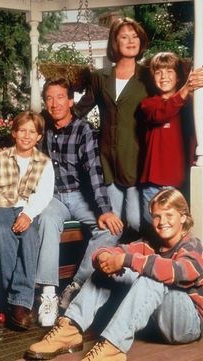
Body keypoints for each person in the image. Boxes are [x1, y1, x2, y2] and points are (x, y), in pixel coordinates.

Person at [25, 188, 203, 361]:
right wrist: (105, 258)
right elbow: (117, 250)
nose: (162, 222)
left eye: (169, 215)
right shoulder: (151, 243)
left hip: (188, 325)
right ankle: (70, 329)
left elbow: (176, 272)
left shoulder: (193, 247)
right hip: (159, 321)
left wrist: (126, 260)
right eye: (157, 216)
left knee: (152, 275)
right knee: (109, 270)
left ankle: (113, 347)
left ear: (183, 217)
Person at [36, 78, 123, 326]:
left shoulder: (82, 129)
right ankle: (48, 295)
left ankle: (75, 285)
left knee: (110, 228)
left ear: (71, 101)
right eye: (50, 98)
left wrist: (104, 210)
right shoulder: (43, 127)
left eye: (60, 97)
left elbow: (95, 171)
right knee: (46, 220)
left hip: (79, 195)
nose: (55, 103)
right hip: (52, 197)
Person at [0, 111, 54, 331]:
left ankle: (17, 303)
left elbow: (43, 194)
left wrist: (28, 214)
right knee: (2, 233)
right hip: (0, 207)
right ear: (14, 133)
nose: (26, 135)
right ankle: (15, 300)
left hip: (26, 208)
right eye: (22, 130)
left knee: (29, 235)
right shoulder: (0, 158)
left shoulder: (44, 162)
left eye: (32, 131)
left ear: (39, 136)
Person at [73, 17, 148, 233]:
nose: (130, 41)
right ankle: (112, 264)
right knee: (112, 226)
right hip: (107, 162)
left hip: (137, 161)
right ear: (114, 42)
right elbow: (79, 111)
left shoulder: (149, 76)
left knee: (135, 221)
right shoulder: (100, 78)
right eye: (124, 36)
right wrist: (41, 124)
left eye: (135, 36)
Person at [137, 52, 197, 226]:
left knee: (178, 232)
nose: (164, 76)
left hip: (179, 183)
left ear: (178, 76)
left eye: (169, 71)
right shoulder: (148, 104)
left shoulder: (190, 103)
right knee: (152, 230)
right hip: (152, 185)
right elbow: (161, 114)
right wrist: (185, 90)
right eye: (158, 72)